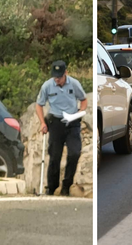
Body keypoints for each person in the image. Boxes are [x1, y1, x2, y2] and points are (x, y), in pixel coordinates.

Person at [36, 60, 88, 196]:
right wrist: (42, 123)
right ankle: (52, 187)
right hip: (56, 122)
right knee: (55, 156)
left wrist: (80, 112)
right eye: (55, 77)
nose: (57, 79)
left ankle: (66, 185)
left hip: (72, 122)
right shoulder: (47, 86)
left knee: (74, 153)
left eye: (59, 76)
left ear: (66, 73)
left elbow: (84, 100)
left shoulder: (74, 84)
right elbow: (39, 105)